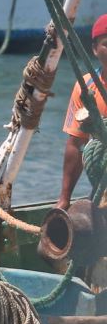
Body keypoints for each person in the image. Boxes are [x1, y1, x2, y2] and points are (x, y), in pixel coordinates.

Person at [57, 13, 107, 210]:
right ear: (95, 49)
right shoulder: (85, 87)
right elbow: (75, 144)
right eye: (106, 43)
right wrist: (64, 198)